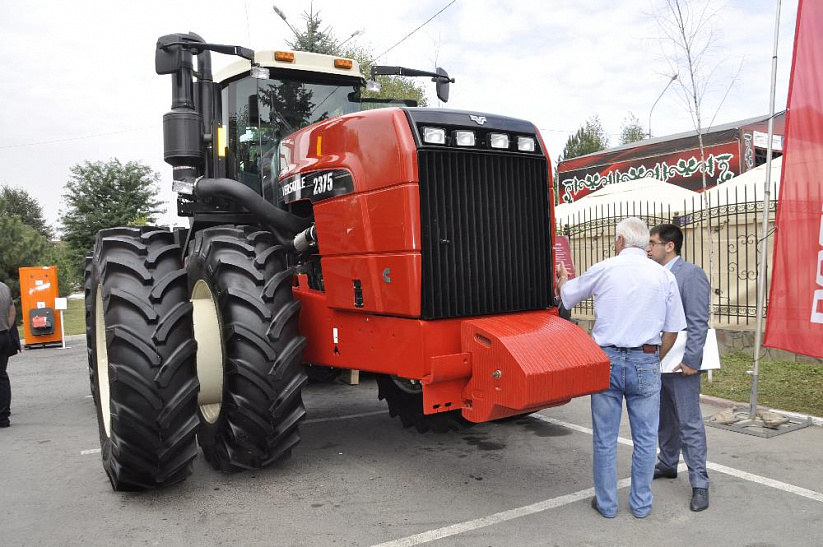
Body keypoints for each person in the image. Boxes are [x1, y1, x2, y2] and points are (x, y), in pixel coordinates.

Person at [556, 217, 685, 519]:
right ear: (645, 244)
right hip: (646, 359)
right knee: (645, 439)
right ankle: (641, 505)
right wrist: (654, 359)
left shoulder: (605, 268)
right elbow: (673, 329)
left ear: (620, 241)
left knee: (604, 438)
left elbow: (567, 295)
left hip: (608, 360)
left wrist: (562, 278)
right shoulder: (663, 276)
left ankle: (607, 504)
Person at [647, 223, 711, 512]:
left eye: (652, 243)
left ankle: (700, 483)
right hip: (658, 359)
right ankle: (668, 462)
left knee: (689, 423)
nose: (648, 248)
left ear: (669, 246)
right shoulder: (654, 275)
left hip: (683, 363)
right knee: (664, 417)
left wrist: (692, 362)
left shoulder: (691, 275)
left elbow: (698, 321)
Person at [0, 280, 17, 428]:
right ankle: (3, 416)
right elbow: (12, 311)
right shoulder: (4, 287)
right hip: (3, 335)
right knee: (2, 376)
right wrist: (6, 328)